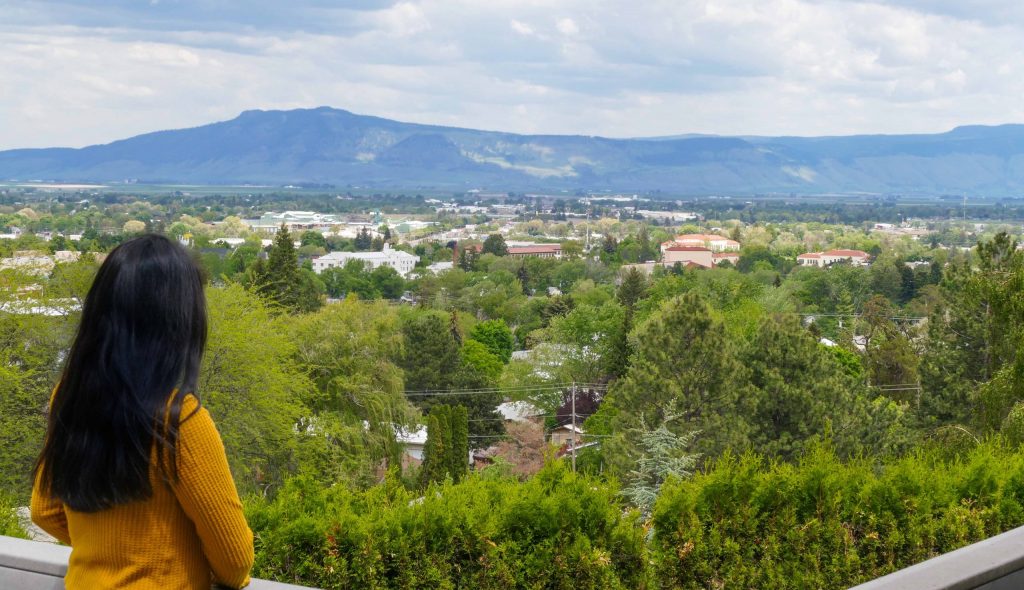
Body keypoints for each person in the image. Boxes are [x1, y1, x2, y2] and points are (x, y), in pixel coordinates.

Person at [31, 234, 254, 589]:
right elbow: (234, 559)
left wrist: (108, 555)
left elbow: (45, 511)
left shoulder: (71, 397)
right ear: (181, 319)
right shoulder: (180, 420)